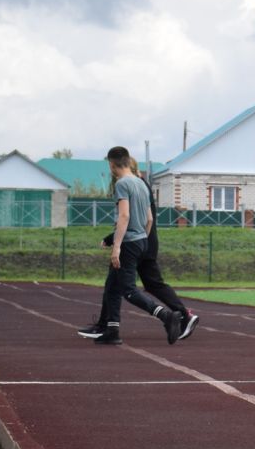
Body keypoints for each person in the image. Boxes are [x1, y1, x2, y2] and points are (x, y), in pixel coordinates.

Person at [78, 148, 190, 346]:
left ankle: (165, 315)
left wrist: (117, 247)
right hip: (141, 241)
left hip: (128, 243)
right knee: (112, 286)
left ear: (112, 164)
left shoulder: (122, 184)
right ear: (128, 161)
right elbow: (149, 218)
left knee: (129, 291)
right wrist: (142, 238)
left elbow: (124, 215)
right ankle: (111, 330)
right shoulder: (141, 183)